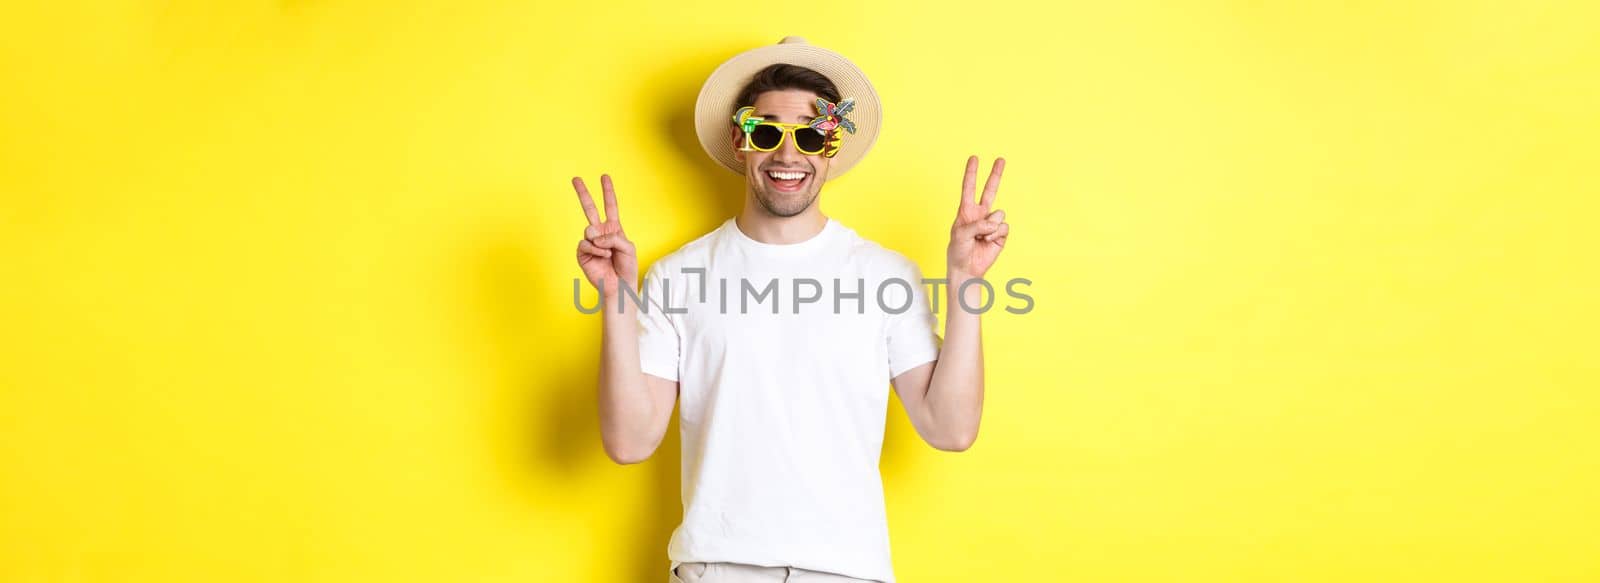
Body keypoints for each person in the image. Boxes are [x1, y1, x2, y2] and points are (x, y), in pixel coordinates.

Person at [570, 37, 1011, 583]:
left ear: (830, 146)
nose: (787, 154)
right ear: (740, 140)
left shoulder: (885, 276)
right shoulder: (676, 276)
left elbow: (951, 428)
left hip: (846, 571)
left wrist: (966, 283)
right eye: (767, 131)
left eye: (809, 134)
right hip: (718, 568)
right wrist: (616, 300)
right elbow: (629, 442)